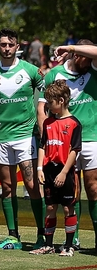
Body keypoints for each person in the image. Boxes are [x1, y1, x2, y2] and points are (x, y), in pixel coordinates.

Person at [0, 28, 46, 250]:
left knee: (33, 185)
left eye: (10, 44)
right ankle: (13, 236)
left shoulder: (31, 71)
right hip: (1, 136)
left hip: (26, 136)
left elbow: (45, 92)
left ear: (17, 47)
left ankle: (43, 235)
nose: (6, 48)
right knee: (6, 188)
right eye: (3, 44)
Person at [47, 40, 97, 250]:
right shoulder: (55, 74)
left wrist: (71, 48)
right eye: (87, 58)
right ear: (78, 58)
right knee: (71, 189)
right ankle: (72, 240)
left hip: (93, 137)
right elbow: (43, 107)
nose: (91, 61)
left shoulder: (93, 67)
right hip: (64, 142)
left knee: (93, 188)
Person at [31, 80, 81, 256]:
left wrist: (64, 172)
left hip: (65, 172)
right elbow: (43, 145)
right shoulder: (48, 123)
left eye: (50, 102)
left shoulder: (74, 123)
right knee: (50, 207)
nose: (48, 107)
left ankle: (68, 246)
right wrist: (39, 169)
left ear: (61, 100)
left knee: (68, 208)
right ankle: (49, 244)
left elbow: (75, 150)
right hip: (49, 171)